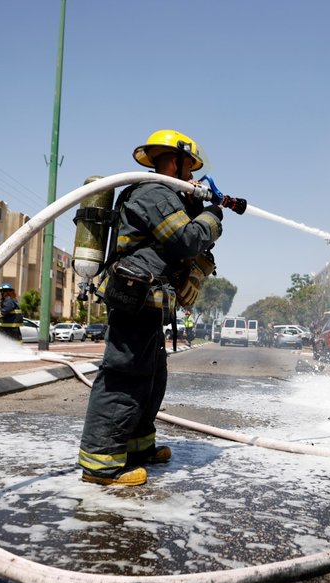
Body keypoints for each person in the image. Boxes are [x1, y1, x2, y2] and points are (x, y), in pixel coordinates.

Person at [78, 129, 227, 487]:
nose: (191, 178)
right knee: (125, 375)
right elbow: (186, 240)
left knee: (151, 376)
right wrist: (212, 216)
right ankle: (101, 463)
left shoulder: (164, 195)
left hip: (148, 300)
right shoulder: (154, 193)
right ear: (173, 161)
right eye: (188, 170)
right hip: (135, 298)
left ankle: (139, 446)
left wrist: (196, 205)